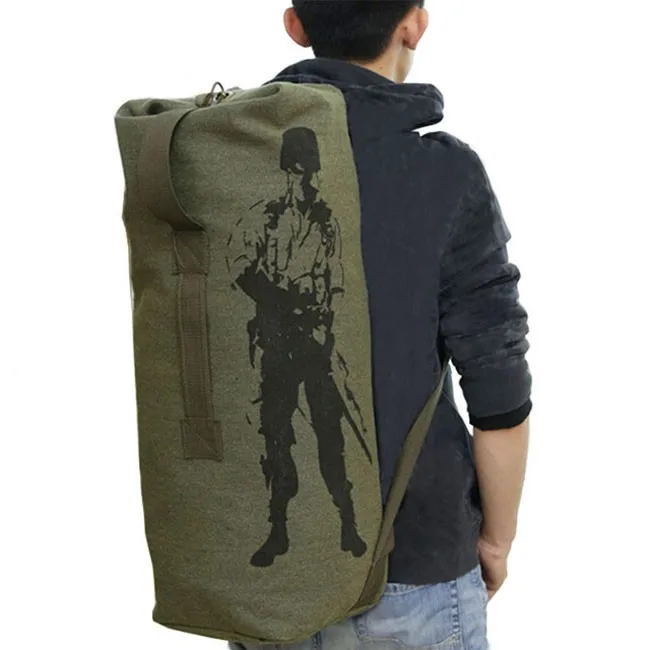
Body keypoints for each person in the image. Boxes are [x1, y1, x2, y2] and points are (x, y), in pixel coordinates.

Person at [230, 1, 532, 648]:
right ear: (414, 23)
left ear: (295, 25)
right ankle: (308, 524)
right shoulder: (444, 173)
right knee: (305, 440)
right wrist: (496, 541)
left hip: (262, 587)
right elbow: (500, 392)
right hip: (416, 553)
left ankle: (305, 526)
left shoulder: (227, 165)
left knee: (312, 440)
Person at [227, 126, 369, 568]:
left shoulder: (328, 222)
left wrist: (326, 327)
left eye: (310, 171)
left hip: (315, 341)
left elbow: (339, 283)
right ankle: (278, 530)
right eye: (296, 171)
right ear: (286, 171)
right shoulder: (265, 217)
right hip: (276, 343)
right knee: (276, 437)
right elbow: (241, 269)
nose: (304, 179)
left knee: (331, 435)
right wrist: (280, 301)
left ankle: (348, 522)